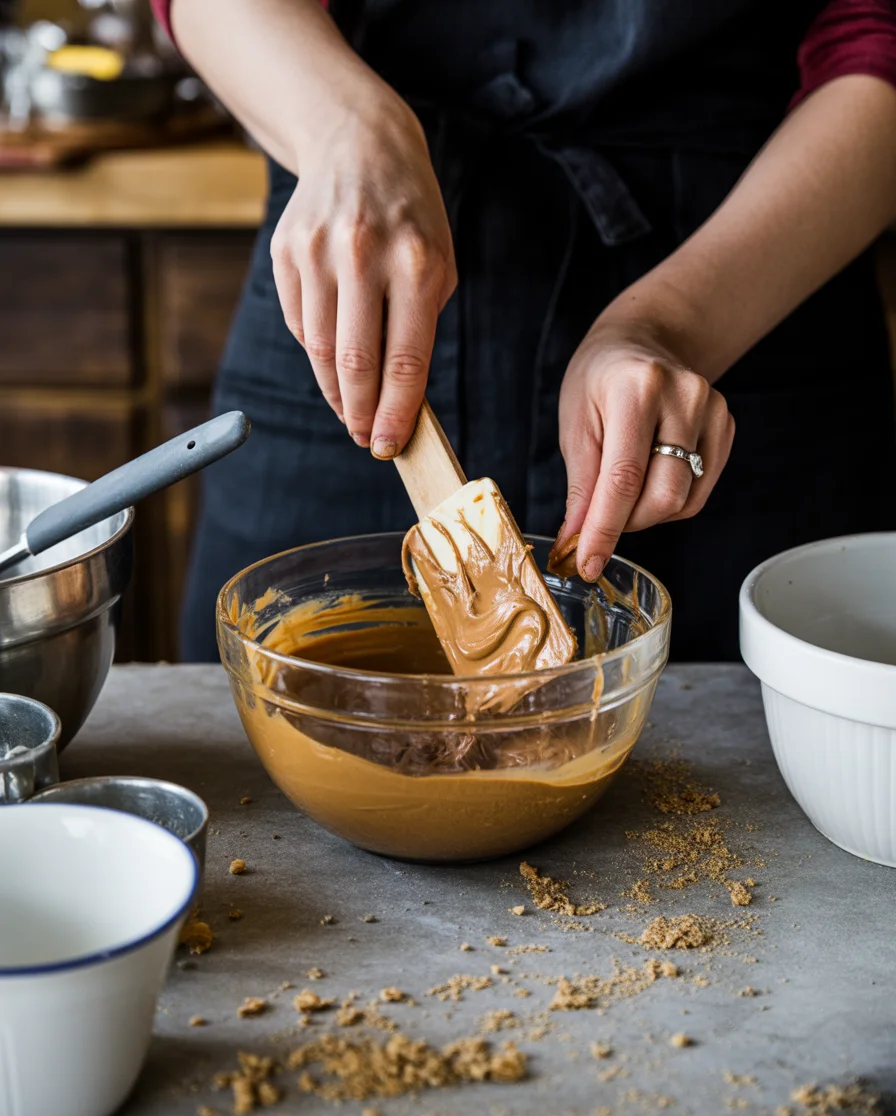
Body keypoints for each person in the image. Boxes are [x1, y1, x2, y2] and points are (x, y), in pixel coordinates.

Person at [151, 0, 896, 662]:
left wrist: (671, 328)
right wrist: (348, 126)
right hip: (354, 253)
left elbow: (875, 36)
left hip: (758, 267)